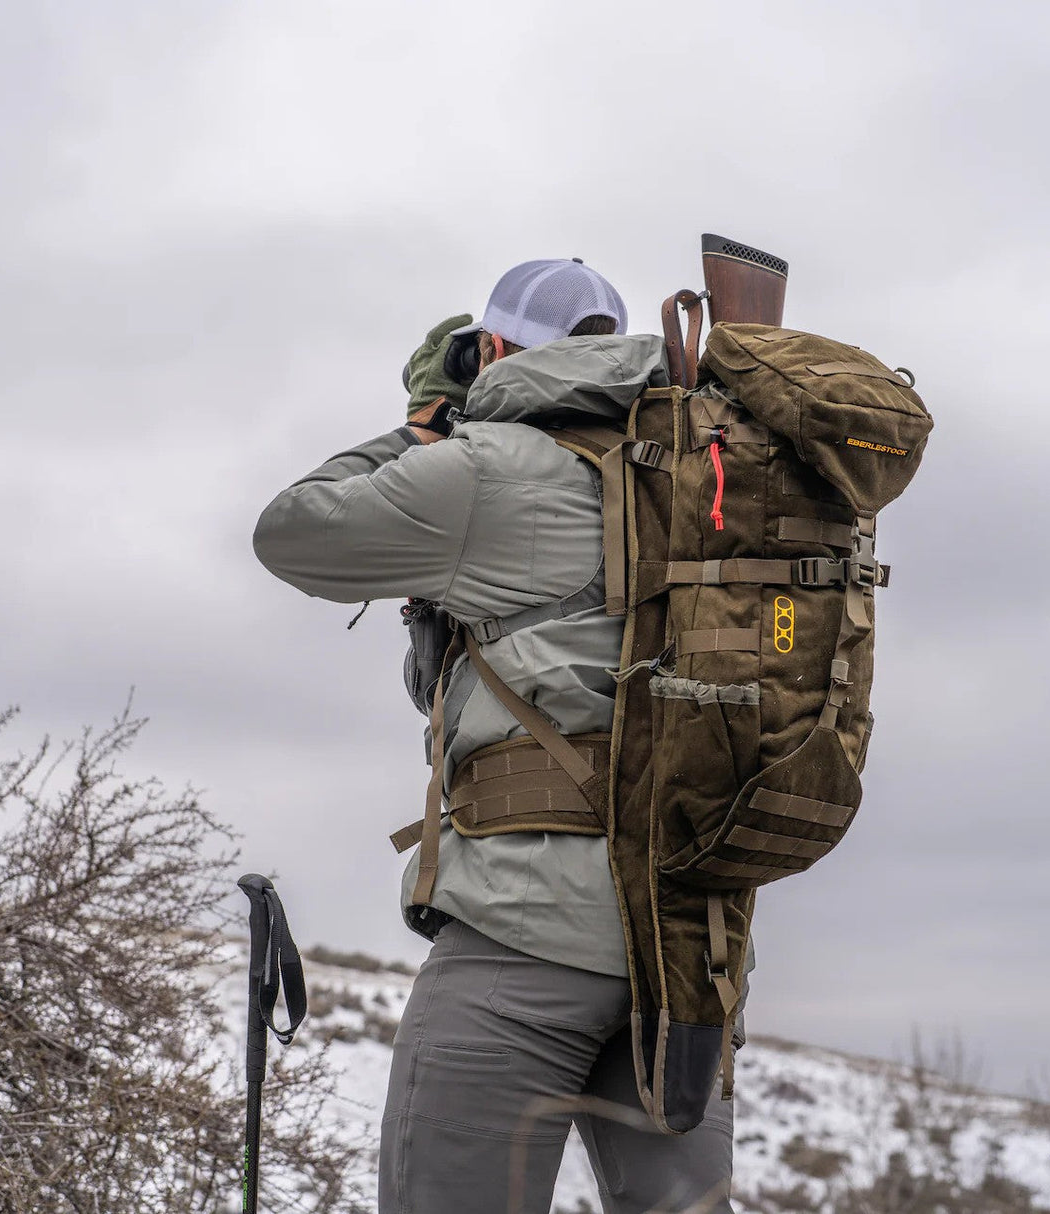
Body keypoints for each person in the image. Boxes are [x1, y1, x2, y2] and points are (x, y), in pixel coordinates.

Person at [254, 259, 738, 1214]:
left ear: (495, 351)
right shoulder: (708, 471)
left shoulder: (484, 470)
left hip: (522, 938)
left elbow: (291, 531)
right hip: (689, 943)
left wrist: (424, 425)